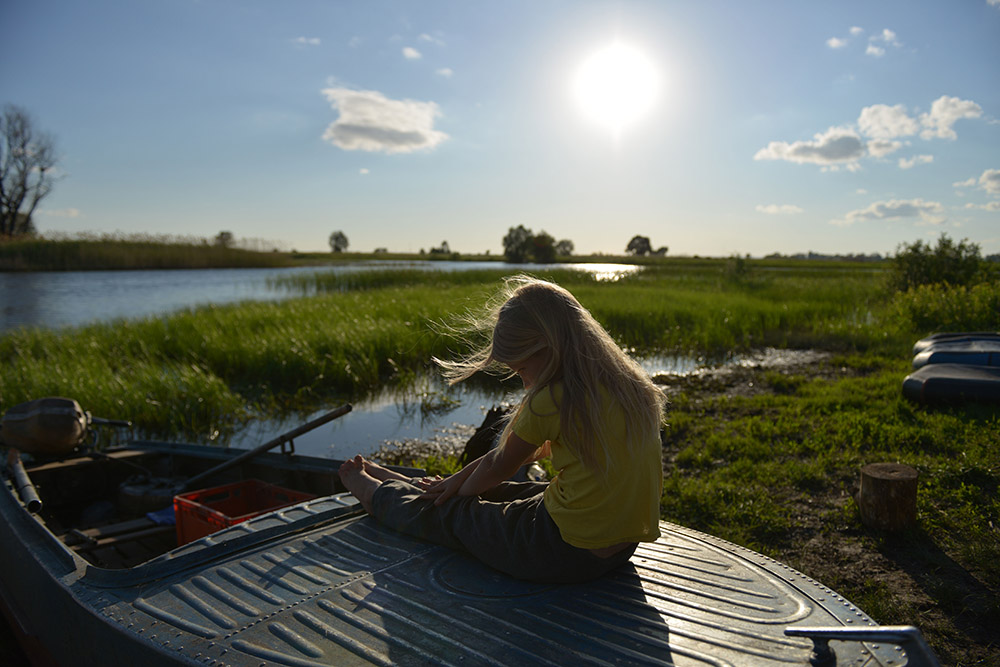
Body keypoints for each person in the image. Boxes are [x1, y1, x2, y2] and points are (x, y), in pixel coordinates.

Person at [339, 275, 666, 583]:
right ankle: (412, 485)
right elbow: (511, 461)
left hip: (565, 551)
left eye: (522, 368)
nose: (524, 383)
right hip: (619, 548)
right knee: (503, 492)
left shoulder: (554, 398)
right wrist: (456, 482)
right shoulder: (629, 386)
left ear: (547, 347)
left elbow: (499, 464)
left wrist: (455, 498)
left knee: (451, 515)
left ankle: (372, 492)